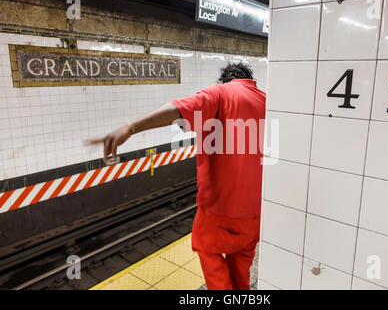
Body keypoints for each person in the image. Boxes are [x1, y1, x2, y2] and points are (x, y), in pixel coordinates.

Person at [87, 62, 266, 290]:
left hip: (220, 210)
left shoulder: (221, 93)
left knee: (204, 246)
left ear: (226, 80)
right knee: (241, 264)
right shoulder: (266, 100)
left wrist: (130, 128)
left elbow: (180, 109)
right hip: (255, 213)